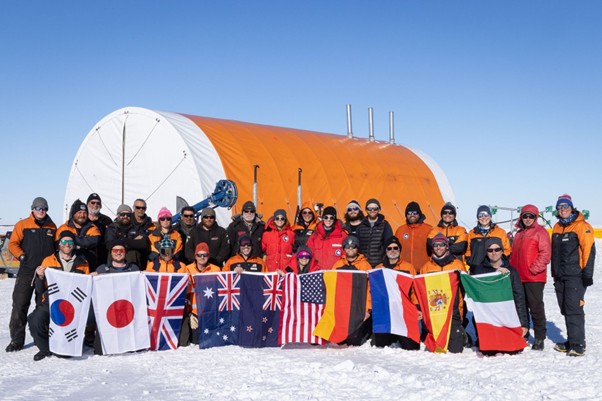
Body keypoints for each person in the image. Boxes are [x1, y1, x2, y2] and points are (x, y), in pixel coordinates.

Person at [27, 231, 90, 361]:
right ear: (59, 244)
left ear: (74, 245)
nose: (67, 244)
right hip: (51, 300)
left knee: (65, 351)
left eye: (70, 242)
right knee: (35, 319)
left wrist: (91, 278)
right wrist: (40, 277)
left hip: (73, 303)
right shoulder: (48, 260)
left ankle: (71, 345)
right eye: (64, 241)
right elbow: (40, 289)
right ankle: (44, 348)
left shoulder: (83, 262)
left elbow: (85, 286)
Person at [6, 197, 57, 353]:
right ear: (33, 209)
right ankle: (16, 340)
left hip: (45, 272)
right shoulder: (22, 225)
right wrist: (21, 256)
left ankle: (40, 337)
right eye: (38, 208)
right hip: (27, 271)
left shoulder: (52, 226)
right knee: (20, 305)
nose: (41, 211)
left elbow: (57, 247)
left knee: (42, 306)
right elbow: (12, 244)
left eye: (44, 208)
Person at [550, 194, 595, 357]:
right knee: (565, 308)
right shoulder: (557, 227)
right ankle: (571, 340)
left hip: (575, 275)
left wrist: (587, 274)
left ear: (572, 207)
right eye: (559, 207)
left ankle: (578, 344)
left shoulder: (582, 226)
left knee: (573, 308)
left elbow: (589, 251)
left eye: (565, 206)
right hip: (560, 276)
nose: (562, 209)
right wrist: (554, 273)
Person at [472, 237, 529, 354]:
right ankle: (483, 337)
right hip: (488, 315)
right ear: (486, 252)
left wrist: (523, 324)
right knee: (488, 351)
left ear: (502, 251)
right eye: (490, 250)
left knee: (514, 349)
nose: (494, 253)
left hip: (506, 314)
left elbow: (519, 298)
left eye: (497, 249)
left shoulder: (511, 271)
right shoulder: (479, 271)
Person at [509, 204, 551, 350]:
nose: (527, 219)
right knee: (521, 307)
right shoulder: (519, 233)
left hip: (534, 278)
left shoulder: (541, 232)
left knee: (535, 307)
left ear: (535, 217)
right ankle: (524, 334)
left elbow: (545, 254)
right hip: (518, 276)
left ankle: (539, 337)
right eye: (525, 216)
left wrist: (533, 269)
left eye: (531, 216)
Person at [419, 233, 467, 353]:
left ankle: (462, 333)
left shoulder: (457, 264)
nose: (438, 247)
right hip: (435, 310)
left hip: (453, 311)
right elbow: (420, 290)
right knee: (436, 349)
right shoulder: (426, 267)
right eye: (435, 245)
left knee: (456, 350)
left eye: (441, 244)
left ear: (446, 246)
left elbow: (466, 286)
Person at [372, 236, 419, 349]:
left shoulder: (408, 267)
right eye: (389, 248)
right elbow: (373, 291)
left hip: (403, 308)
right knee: (379, 344)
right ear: (385, 250)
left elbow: (414, 290)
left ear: (399, 250)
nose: (392, 250)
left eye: (395, 248)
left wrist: (417, 307)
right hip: (386, 309)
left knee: (412, 346)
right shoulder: (379, 268)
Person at [332, 235, 372, 346]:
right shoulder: (338, 265)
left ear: (357, 248)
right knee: (339, 340)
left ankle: (367, 331)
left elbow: (370, 288)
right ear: (344, 249)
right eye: (347, 246)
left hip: (358, 306)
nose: (350, 248)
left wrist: (367, 309)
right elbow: (332, 286)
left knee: (354, 341)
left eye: (353, 246)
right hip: (342, 307)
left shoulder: (365, 265)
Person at [179, 242, 221, 346]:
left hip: (210, 312)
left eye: (205, 255)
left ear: (208, 256)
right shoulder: (188, 269)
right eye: (199, 255)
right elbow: (184, 292)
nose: (202, 257)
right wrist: (189, 314)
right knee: (196, 341)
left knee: (210, 341)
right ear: (195, 256)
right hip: (193, 313)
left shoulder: (216, 270)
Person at [56, 199, 102, 271]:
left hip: (89, 267)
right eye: (79, 212)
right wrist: (83, 240)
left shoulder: (93, 228)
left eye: (84, 213)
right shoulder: (63, 228)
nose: (82, 215)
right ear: (73, 214)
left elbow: (95, 241)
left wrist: (72, 239)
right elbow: (58, 245)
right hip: (68, 267)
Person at [465, 205, 511, 273]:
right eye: (480, 215)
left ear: (490, 216)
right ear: (477, 218)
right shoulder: (472, 233)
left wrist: (500, 262)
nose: (483, 217)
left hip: (495, 269)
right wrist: (470, 262)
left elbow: (507, 250)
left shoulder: (500, 232)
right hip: (476, 270)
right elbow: (467, 251)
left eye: (486, 215)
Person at [395, 201, 433, 273]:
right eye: (409, 213)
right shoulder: (400, 230)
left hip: (423, 271)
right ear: (406, 215)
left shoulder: (429, 229)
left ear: (419, 214)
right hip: (404, 271)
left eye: (415, 212)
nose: (412, 215)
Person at [356, 198, 394, 268]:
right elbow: (357, 245)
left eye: (375, 208)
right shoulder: (361, 226)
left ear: (379, 209)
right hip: (363, 265)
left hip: (379, 264)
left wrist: (385, 262)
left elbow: (389, 245)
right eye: (369, 209)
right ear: (366, 210)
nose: (372, 210)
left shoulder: (385, 225)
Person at [306, 206, 346, 270]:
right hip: (317, 272)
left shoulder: (342, 235)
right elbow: (308, 254)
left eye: (331, 218)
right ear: (323, 218)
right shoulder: (315, 235)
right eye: (326, 217)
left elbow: (346, 256)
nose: (328, 220)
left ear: (335, 219)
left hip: (335, 273)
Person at [86, 193, 113, 266]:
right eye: (93, 202)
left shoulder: (107, 220)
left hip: (103, 256)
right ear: (87, 204)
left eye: (98, 203)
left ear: (101, 206)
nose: (95, 205)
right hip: (86, 255)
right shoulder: (83, 219)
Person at [131, 198, 155, 266]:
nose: (141, 209)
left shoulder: (150, 224)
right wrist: (133, 241)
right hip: (131, 254)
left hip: (147, 254)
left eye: (143, 208)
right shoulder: (127, 222)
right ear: (133, 207)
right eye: (138, 207)